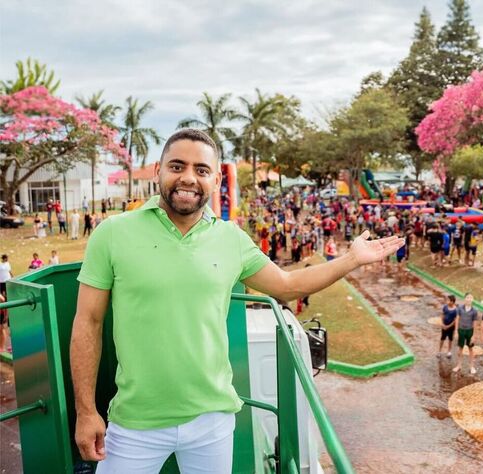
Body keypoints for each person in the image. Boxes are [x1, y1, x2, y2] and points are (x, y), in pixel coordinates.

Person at [70, 129, 404, 471]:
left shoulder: (230, 238)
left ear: (215, 180)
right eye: (177, 166)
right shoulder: (112, 233)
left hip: (212, 419)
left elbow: (287, 284)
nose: (188, 177)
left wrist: (350, 260)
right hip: (134, 422)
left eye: (201, 170)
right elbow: (88, 322)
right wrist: (85, 411)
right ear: (158, 169)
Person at [452, 293, 479, 375]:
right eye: (467, 297)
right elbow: (457, 319)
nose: (469, 299)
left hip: (469, 331)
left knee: (470, 349)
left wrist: (474, 335)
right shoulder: (459, 308)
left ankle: (471, 366)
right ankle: (459, 365)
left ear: (472, 299)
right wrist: (456, 331)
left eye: (471, 298)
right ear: (464, 299)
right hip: (461, 330)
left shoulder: (474, 310)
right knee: (460, 348)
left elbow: (475, 323)